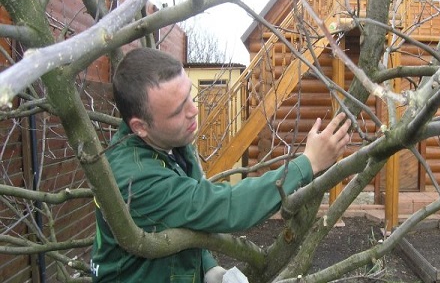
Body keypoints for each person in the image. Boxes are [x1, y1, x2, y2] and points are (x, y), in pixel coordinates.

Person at [91, 47, 352, 283]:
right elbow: (224, 205)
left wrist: (207, 267)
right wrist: (307, 163)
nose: (193, 111)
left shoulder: (172, 142)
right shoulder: (134, 178)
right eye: (177, 111)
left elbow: (185, 218)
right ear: (140, 127)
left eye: (189, 98)